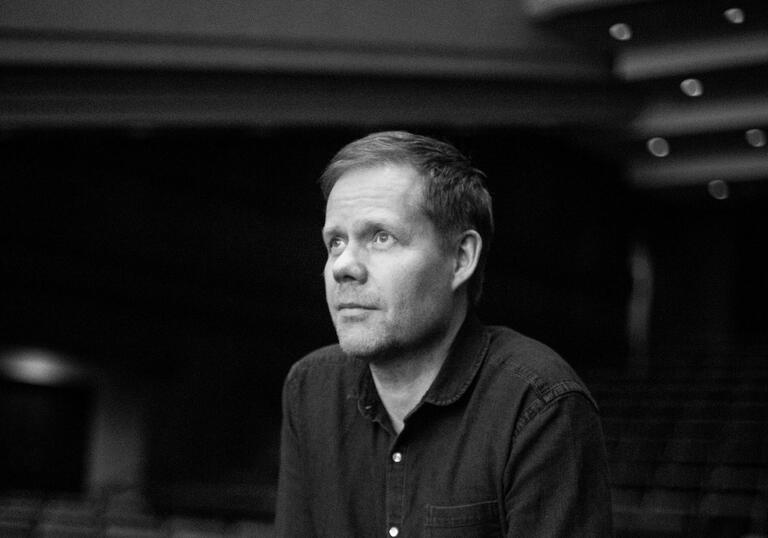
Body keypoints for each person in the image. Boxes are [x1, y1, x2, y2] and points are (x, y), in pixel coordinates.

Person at [275, 131, 612, 537]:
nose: (343, 266)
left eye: (381, 237)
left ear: (461, 258)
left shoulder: (540, 403)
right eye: (335, 242)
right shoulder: (310, 387)